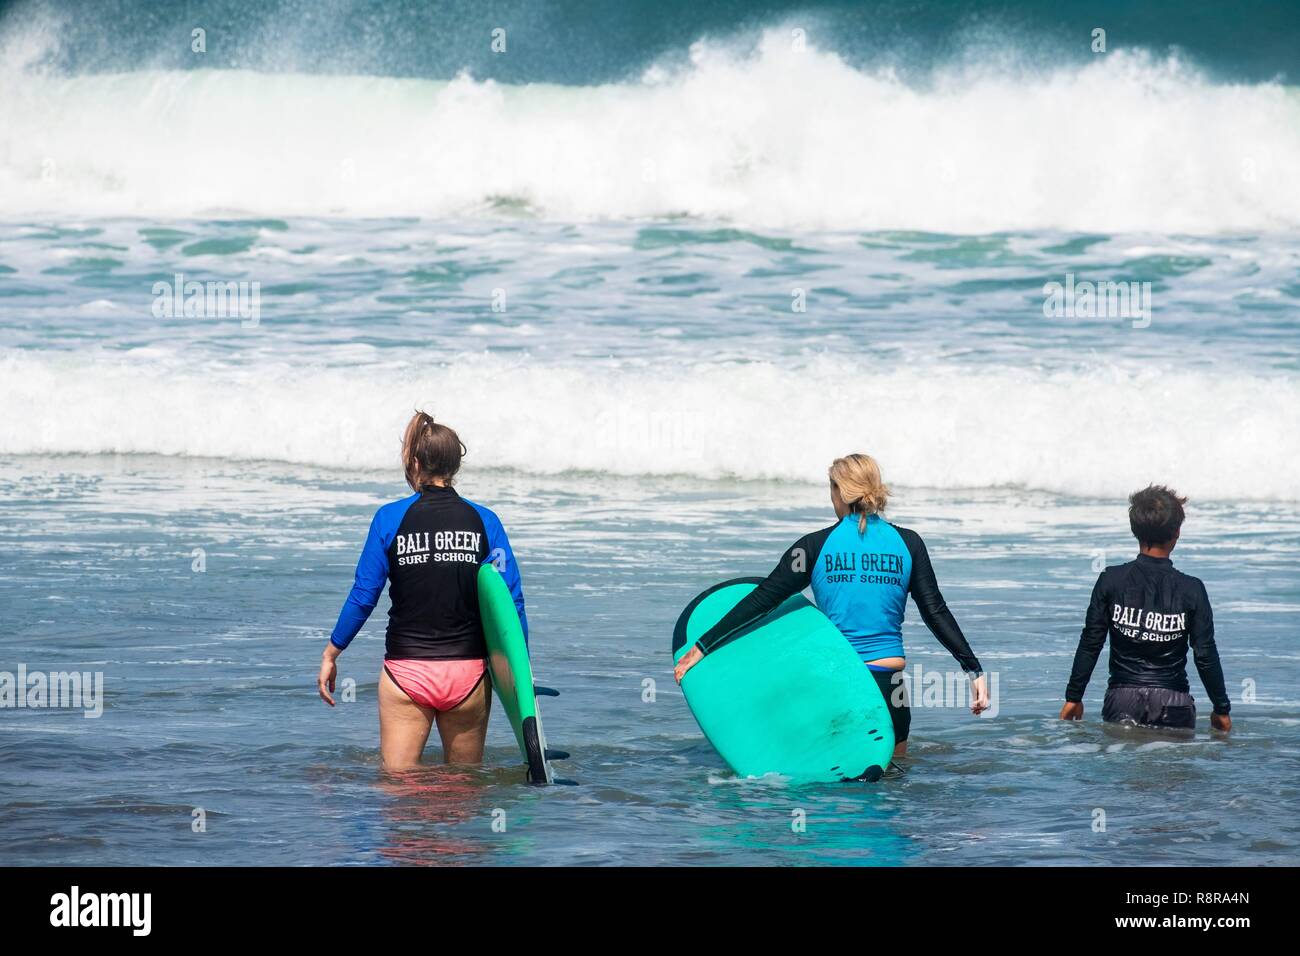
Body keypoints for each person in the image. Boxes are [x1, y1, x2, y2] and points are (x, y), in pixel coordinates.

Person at [674, 453, 988, 758]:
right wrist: (973, 669)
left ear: (840, 491)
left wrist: (702, 646)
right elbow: (935, 611)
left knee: (833, 786)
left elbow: (763, 599)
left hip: (836, 684)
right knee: (893, 785)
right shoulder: (909, 544)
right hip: (889, 687)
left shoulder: (813, 546)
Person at [317, 411, 527, 770]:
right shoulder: (485, 521)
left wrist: (332, 652)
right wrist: (520, 673)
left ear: (415, 462)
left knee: (400, 796)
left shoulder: (389, 518)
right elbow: (511, 599)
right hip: (468, 675)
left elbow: (364, 594)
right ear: (455, 464)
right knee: (462, 796)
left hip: (406, 673)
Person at [1060, 484, 1231, 733]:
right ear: (1178, 532)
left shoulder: (1111, 580)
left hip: (1122, 701)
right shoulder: (1192, 589)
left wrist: (1073, 697)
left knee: (1124, 767)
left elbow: (1091, 642)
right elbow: (1204, 654)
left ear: (1134, 530)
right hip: (1173, 703)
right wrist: (1221, 708)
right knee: (1172, 768)